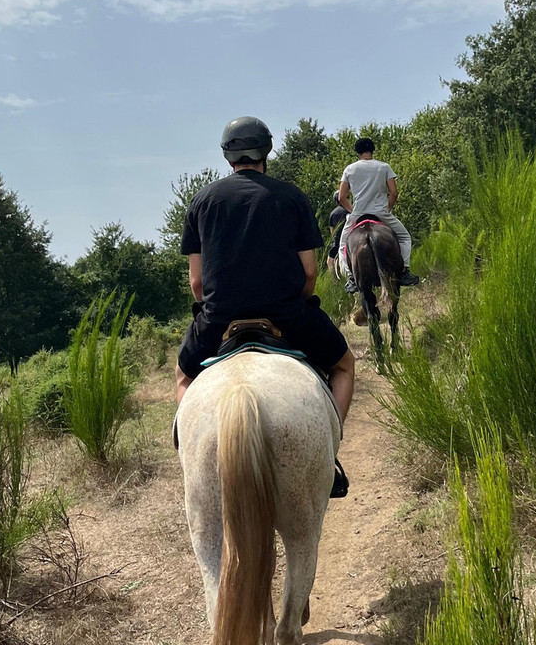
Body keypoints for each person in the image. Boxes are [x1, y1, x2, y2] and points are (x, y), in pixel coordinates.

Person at [176, 116, 356, 497]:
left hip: (219, 318)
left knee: (182, 376)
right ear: (266, 152)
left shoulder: (202, 201)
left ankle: (192, 461)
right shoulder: (291, 197)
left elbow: (197, 283)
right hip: (286, 313)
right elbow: (309, 273)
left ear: (228, 157)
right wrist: (299, 305)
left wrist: (213, 311)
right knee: (344, 366)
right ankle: (328, 456)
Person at [338, 137, 420, 293]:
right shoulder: (384, 167)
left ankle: (351, 278)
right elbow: (394, 193)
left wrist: (352, 210)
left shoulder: (350, 169)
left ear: (357, 152)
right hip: (381, 212)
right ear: (372, 150)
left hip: (358, 213)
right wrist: (388, 208)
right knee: (404, 237)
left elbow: (342, 197)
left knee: (343, 246)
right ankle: (405, 271)